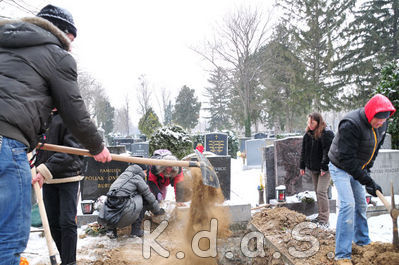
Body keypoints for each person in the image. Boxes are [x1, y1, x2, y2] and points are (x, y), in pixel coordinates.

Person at [0, 5, 111, 264]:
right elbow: (75, 110)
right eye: (70, 40)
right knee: (8, 238)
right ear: (60, 33)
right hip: (6, 144)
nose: (69, 48)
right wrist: (97, 146)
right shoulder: (56, 56)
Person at [328, 94, 396, 265]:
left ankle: (362, 241)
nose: (381, 123)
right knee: (348, 204)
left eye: (383, 120)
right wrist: (367, 181)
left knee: (361, 203)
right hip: (340, 166)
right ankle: (342, 254)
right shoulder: (350, 124)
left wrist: (368, 172)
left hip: (358, 167)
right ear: (370, 113)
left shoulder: (382, 124)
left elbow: (375, 148)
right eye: (378, 120)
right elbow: (347, 160)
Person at [34, 110, 84, 265]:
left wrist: (44, 169)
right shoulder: (42, 118)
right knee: (52, 222)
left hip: (68, 175)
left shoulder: (70, 116)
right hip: (48, 178)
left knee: (67, 221)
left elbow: (71, 151)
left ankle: (70, 262)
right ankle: (65, 259)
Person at [98, 164, 165, 238]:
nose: (146, 175)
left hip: (109, 213)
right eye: (145, 172)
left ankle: (111, 231)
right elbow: (149, 196)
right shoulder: (137, 178)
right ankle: (136, 231)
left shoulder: (123, 176)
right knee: (143, 198)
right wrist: (157, 211)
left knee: (117, 198)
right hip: (124, 211)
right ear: (141, 171)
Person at [299, 113, 334, 226]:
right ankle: (320, 216)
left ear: (319, 122)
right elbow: (304, 151)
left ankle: (324, 219)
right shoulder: (308, 134)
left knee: (321, 191)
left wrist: (324, 166)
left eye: (312, 123)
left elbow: (328, 151)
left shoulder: (326, 133)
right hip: (314, 168)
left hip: (325, 169)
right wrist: (302, 165)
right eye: (308, 122)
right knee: (318, 192)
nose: (310, 125)